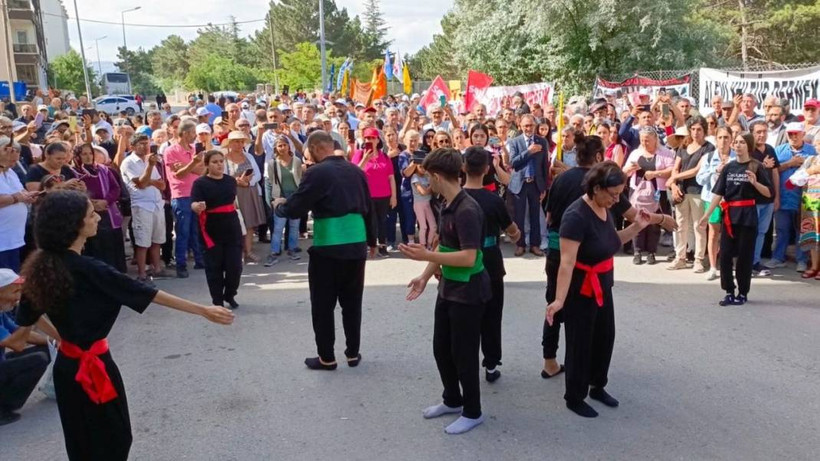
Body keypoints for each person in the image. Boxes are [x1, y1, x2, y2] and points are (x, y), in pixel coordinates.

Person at [16, 190, 233, 460]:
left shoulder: (38, 266)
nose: (97, 217)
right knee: (115, 439)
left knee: (81, 441)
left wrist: (59, 336)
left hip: (67, 368)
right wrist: (202, 310)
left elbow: (24, 320)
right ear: (74, 225)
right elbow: (148, 293)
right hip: (94, 366)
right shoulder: (91, 269)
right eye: (91, 214)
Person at [545, 162, 650, 418]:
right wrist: (559, 300)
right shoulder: (575, 216)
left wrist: (637, 227)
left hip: (602, 284)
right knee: (580, 343)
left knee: (605, 337)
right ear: (596, 188)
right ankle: (574, 396)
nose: (617, 200)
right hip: (580, 289)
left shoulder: (605, 208)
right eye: (613, 194)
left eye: (619, 194)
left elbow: (611, 240)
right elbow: (566, 264)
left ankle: (597, 385)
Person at [401, 148, 491, 435]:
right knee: (442, 349)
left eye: (428, 177)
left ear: (438, 177)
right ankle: (452, 399)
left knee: (464, 354)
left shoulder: (467, 209)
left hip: (469, 291)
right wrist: (425, 276)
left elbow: (467, 256)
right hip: (448, 288)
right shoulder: (448, 203)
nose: (427, 183)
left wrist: (425, 257)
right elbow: (444, 245)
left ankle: (472, 411)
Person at [273, 131, 376, 370]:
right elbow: (368, 208)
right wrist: (372, 241)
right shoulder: (356, 171)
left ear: (317, 148)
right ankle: (352, 353)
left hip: (329, 246)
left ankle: (326, 357)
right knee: (352, 302)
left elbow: (296, 207)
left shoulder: (316, 172)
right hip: (356, 244)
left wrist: (280, 207)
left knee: (323, 304)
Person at [462, 146, 520, 382]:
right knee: (492, 314)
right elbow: (513, 231)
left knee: (466, 316)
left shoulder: (455, 198)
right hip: (490, 261)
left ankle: (466, 362)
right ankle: (491, 364)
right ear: (487, 169)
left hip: (462, 263)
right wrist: (515, 236)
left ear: (463, 167)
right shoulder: (494, 200)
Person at [701, 132, 773, 305]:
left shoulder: (756, 166)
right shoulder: (729, 167)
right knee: (725, 255)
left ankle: (742, 292)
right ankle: (729, 291)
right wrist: (706, 215)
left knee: (744, 256)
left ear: (748, 146)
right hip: (729, 216)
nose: (738, 145)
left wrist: (755, 183)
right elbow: (718, 193)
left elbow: (769, 193)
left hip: (748, 216)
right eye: (736, 142)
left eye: (741, 142)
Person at [0, 268, 56, 426]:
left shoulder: (1, 310)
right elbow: (16, 344)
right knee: (38, 359)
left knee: (46, 350)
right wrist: (30, 316)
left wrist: (57, 341)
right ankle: (4, 407)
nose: (18, 298)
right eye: (15, 292)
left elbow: (23, 334)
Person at [191, 151, 244, 308]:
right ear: (207, 165)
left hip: (232, 226)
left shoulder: (230, 181)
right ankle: (217, 300)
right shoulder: (200, 183)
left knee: (235, 266)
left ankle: (230, 294)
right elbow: (193, 203)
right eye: (215, 162)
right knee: (214, 267)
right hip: (211, 228)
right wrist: (198, 207)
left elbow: (234, 203)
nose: (219, 164)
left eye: (221, 161)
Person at [668, 117, 714, 272]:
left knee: (698, 226)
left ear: (704, 130)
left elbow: (697, 171)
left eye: (699, 129)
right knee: (680, 225)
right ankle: (679, 257)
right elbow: (676, 167)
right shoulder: (683, 145)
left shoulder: (708, 148)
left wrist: (674, 178)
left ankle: (699, 259)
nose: (696, 132)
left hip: (698, 191)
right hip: (681, 191)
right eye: (693, 129)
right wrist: (674, 185)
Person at [769, 122, 817, 272]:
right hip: (783, 197)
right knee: (782, 230)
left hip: (804, 198)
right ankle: (778, 258)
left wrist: (807, 165)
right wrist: (789, 163)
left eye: (796, 133)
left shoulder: (812, 151)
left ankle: (801, 260)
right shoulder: (779, 150)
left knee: (801, 230)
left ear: (802, 134)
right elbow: (773, 171)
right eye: (790, 134)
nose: (793, 136)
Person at [72, 144, 127, 273]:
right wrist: (90, 203)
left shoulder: (103, 170)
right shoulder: (73, 173)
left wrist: (105, 201)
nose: (88, 157)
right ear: (77, 156)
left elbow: (115, 188)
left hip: (107, 213)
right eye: (84, 154)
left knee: (110, 246)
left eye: (90, 153)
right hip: (87, 213)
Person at [121, 133, 167, 284]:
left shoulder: (150, 160)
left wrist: (150, 180)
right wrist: (150, 172)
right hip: (141, 205)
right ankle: (142, 274)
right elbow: (140, 183)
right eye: (141, 143)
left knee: (157, 239)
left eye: (146, 143)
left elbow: (162, 184)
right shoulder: (128, 162)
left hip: (156, 203)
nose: (145, 146)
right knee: (142, 242)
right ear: (133, 146)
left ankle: (157, 268)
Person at [164, 120, 207, 278]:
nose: (195, 135)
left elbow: (202, 169)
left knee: (196, 229)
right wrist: (192, 165)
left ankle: (199, 259)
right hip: (181, 195)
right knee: (183, 231)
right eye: (192, 132)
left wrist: (187, 166)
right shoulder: (170, 150)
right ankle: (180, 264)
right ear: (185, 133)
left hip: (196, 193)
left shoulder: (195, 149)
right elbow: (179, 174)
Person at [696, 126, 737, 281]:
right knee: (713, 234)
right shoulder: (708, 157)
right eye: (720, 137)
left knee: (730, 234)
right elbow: (700, 179)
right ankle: (713, 266)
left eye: (726, 137)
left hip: (731, 201)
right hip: (711, 199)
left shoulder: (737, 157)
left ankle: (728, 264)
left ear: (731, 139)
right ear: (716, 139)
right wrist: (715, 171)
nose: (723, 141)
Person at [351, 126, 397, 257]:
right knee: (367, 221)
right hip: (366, 195)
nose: (370, 140)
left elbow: (391, 178)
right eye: (367, 138)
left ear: (378, 140)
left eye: (372, 138)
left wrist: (394, 196)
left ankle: (382, 245)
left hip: (383, 194)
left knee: (382, 221)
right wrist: (365, 159)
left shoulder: (385, 157)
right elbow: (354, 172)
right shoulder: (359, 154)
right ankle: (367, 245)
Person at [508, 114, 548, 256]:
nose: (528, 128)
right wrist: (529, 151)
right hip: (520, 183)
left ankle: (535, 245)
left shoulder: (542, 142)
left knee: (535, 215)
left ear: (534, 126)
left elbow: (544, 165)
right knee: (519, 216)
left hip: (535, 183)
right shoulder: (515, 142)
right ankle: (520, 245)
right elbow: (513, 162)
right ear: (520, 126)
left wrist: (544, 187)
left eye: (530, 125)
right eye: (525, 126)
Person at [223, 131, 265, 263]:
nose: (239, 144)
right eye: (236, 141)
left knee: (249, 223)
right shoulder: (224, 158)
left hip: (249, 191)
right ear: (230, 144)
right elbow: (222, 176)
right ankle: (237, 253)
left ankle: (248, 251)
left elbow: (258, 174)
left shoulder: (249, 156)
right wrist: (236, 181)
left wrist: (248, 183)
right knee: (235, 224)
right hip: (232, 193)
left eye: (241, 141)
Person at [264, 135, 303, 266]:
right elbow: (270, 182)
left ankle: (292, 249)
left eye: (284, 145)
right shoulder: (272, 164)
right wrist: (272, 199)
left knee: (294, 225)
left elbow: (300, 179)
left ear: (288, 146)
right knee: (278, 227)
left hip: (295, 196)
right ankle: (274, 252)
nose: (282, 148)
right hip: (280, 196)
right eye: (279, 145)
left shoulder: (296, 161)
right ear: (275, 148)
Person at [1, 140, 37, 272]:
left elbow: (20, 192)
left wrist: (28, 196)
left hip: (14, 239)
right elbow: (16, 196)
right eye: (11, 160)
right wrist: (17, 198)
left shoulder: (10, 172)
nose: (14, 164)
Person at [792, 137, 820, 279]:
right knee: (812, 236)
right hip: (810, 204)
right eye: (818, 142)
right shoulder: (811, 160)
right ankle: (814, 266)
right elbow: (795, 179)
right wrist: (810, 171)